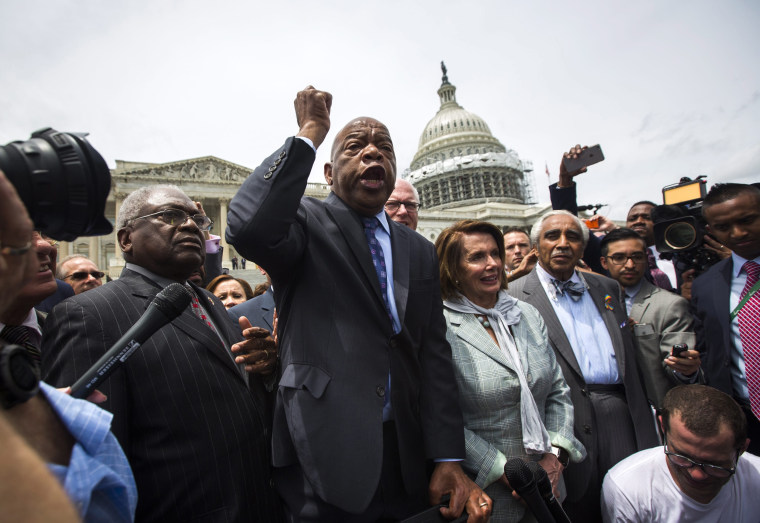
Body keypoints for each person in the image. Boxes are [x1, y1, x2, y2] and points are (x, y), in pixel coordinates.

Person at [226, 86, 490, 522]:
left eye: (383, 147)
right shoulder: (306, 223)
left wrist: (447, 457)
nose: (373, 153)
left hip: (405, 456)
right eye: (356, 147)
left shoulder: (417, 249)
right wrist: (308, 133)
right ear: (328, 173)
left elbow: (433, 357)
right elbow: (248, 227)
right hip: (323, 453)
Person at [42, 184, 280, 522]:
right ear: (125, 240)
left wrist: (265, 371)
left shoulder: (209, 301)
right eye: (169, 216)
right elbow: (97, 457)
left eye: (198, 220)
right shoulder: (89, 314)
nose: (190, 226)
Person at [507, 209, 658, 522]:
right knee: (574, 510)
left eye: (572, 236)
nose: (563, 243)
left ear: (583, 246)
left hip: (620, 414)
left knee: (631, 503)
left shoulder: (607, 288)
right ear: (536, 245)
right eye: (552, 236)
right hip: (558, 424)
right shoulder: (511, 295)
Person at [436, 220, 585, 522]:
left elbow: (557, 390)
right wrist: (505, 470)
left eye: (495, 253)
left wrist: (554, 457)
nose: (492, 264)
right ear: (452, 268)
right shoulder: (438, 324)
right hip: (487, 496)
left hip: (549, 489)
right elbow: (437, 415)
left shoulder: (525, 313)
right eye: (477, 257)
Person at [601, 385, 760, 522]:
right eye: (683, 457)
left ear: (742, 449)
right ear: (663, 427)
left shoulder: (756, 477)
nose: (697, 474)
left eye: (714, 464)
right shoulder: (628, 488)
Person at [692, 182, 760, 455]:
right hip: (744, 420)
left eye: (747, 220)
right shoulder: (706, 285)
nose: (738, 233)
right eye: (723, 227)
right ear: (710, 231)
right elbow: (709, 352)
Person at [600, 228, 700, 409]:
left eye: (637, 257)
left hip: (654, 409)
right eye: (619, 257)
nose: (629, 265)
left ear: (646, 259)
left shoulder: (670, 305)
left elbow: (677, 367)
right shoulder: (591, 303)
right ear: (604, 262)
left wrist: (684, 368)